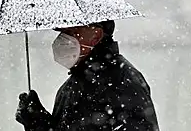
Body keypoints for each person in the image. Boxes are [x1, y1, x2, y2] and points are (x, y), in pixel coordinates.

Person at [15, 20, 160, 131]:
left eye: (71, 32)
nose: (62, 39)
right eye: (62, 32)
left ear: (96, 35)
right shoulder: (68, 88)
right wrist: (38, 122)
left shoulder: (123, 82)